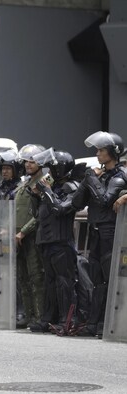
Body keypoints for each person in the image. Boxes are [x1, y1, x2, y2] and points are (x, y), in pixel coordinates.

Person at [73, 131, 127, 337]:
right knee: (97, 280)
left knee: (109, 277)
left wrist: (91, 179)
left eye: (101, 150)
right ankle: (93, 323)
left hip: (110, 232)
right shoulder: (99, 175)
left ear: (113, 152)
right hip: (95, 231)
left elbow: (104, 200)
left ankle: (106, 323)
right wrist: (88, 180)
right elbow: (78, 203)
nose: (97, 154)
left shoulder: (120, 176)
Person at [30, 149, 80, 333]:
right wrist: (37, 194)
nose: (48, 172)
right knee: (50, 281)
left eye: (52, 168)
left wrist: (47, 191)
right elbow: (39, 212)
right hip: (47, 241)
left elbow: (60, 209)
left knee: (64, 281)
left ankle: (66, 320)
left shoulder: (71, 187)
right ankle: (47, 318)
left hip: (61, 242)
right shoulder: (52, 187)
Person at [14, 144, 47, 329]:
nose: (28, 164)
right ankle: (29, 315)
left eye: (32, 161)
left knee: (36, 277)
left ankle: (40, 317)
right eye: (26, 161)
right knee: (23, 278)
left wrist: (23, 231)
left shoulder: (44, 180)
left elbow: (39, 215)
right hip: (19, 237)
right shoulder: (26, 183)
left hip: (32, 236)